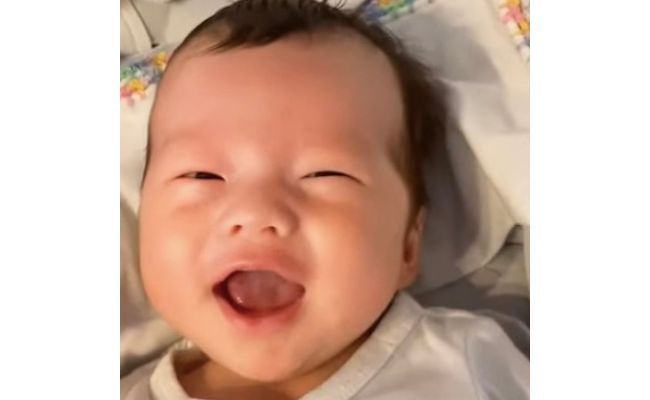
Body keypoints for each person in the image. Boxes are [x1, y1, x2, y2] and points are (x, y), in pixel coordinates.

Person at [122, 0, 529, 398]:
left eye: (324, 174)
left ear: (408, 245)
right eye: (202, 175)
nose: (256, 211)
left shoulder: (469, 363)